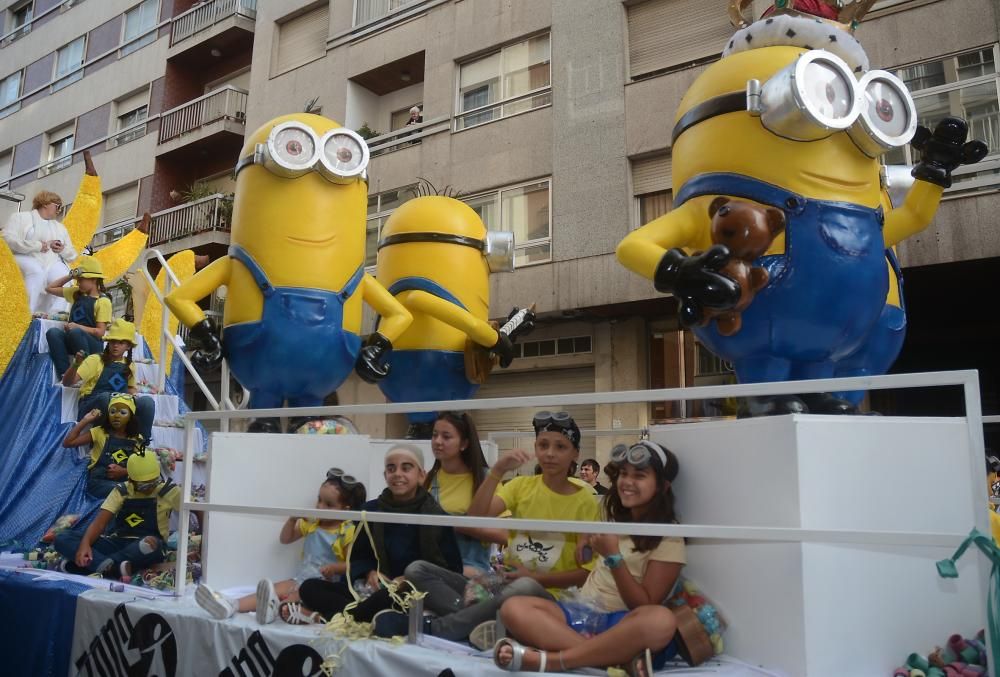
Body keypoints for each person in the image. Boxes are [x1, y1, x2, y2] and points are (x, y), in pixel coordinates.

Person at [371, 411, 600, 646]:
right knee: (417, 569)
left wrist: (535, 577)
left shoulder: (586, 500)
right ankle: (479, 619)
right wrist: (498, 470)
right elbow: (476, 517)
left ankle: (439, 628)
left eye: (560, 447)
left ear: (576, 453)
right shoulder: (521, 486)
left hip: (547, 595)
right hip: (500, 584)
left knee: (524, 585)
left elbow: (585, 574)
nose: (550, 453)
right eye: (543, 445)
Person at [494, 440, 684, 676]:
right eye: (624, 474)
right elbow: (589, 551)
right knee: (513, 608)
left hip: (622, 625)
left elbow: (644, 605)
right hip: (581, 615)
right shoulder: (613, 518)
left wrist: (614, 558)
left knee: (660, 620)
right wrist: (587, 541)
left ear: (663, 486)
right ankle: (612, 662)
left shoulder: (670, 536)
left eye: (640, 476)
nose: (627, 482)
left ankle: (552, 660)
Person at [286, 444, 463, 625]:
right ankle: (353, 617)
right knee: (310, 587)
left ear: (421, 475)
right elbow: (358, 558)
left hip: (409, 592)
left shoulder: (437, 517)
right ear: (385, 475)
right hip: (370, 589)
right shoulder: (369, 511)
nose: (397, 474)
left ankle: (326, 617)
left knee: (387, 599)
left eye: (406, 468)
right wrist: (370, 572)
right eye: (391, 468)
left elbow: (451, 571)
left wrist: (410, 579)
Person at [194, 469, 366, 624]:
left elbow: (353, 565)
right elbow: (286, 539)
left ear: (346, 509)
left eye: (328, 505)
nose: (320, 507)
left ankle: (273, 609)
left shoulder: (347, 532)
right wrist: (292, 520)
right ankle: (232, 605)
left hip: (323, 586)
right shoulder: (313, 525)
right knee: (276, 588)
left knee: (295, 596)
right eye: (319, 500)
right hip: (300, 578)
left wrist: (335, 568)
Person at [55, 449, 179, 580]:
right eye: (142, 485)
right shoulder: (122, 490)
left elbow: (198, 509)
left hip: (147, 547)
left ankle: (98, 566)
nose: (148, 488)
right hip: (118, 542)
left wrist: (202, 539)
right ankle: (113, 568)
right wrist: (84, 544)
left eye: (153, 483)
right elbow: (100, 523)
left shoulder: (168, 490)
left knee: (150, 544)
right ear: (131, 479)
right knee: (62, 538)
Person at [424, 411, 507, 576]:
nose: (438, 441)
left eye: (446, 437)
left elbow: (505, 535)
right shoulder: (428, 480)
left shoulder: (486, 480)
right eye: (434, 435)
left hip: (472, 572)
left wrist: (456, 525)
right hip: (432, 567)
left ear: (464, 444)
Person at [62, 318, 155, 444]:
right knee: (106, 398)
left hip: (118, 407)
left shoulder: (130, 365)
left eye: (121, 342)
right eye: (113, 341)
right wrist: (75, 364)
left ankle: (141, 443)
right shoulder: (95, 360)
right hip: (92, 405)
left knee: (147, 402)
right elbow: (67, 382)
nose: (116, 345)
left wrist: (133, 398)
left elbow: (131, 388)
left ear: (128, 346)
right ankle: (100, 442)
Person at [3, 191, 77, 314]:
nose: (59, 210)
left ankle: (56, 314)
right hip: (24, 256)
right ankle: (26, 313)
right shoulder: (20, 218)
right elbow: (8, 239)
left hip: (51, 260)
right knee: (36, 271)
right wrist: (38, 245)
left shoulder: (60, 228)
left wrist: (62, 249)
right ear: (45, 204)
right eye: (57, 206)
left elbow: (72, 254)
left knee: (65, 276)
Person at [63, 393, 145, 499]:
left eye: (123, 412)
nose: (116, 415)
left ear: (130, 416)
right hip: (99, 482)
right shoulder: (99, 432)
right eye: (112, 411)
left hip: (125, 481)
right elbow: (68, 442)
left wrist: (124, 471)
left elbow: (141, 467)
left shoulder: (137, 438)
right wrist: (85, 420)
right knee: (126, 491)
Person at [44, 255, 110, 378]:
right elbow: (50, 288)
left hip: (92, 344)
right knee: (53, 333)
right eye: (77, 279)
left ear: (94, 280)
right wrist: (70, 276)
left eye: (81, 279)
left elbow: (100, 332)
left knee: (75, 332)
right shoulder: (76, 293)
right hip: (73, 339)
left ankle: (81, 375)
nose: (78, 282)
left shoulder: (103, 301)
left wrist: (76, 327)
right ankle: (65, 374)